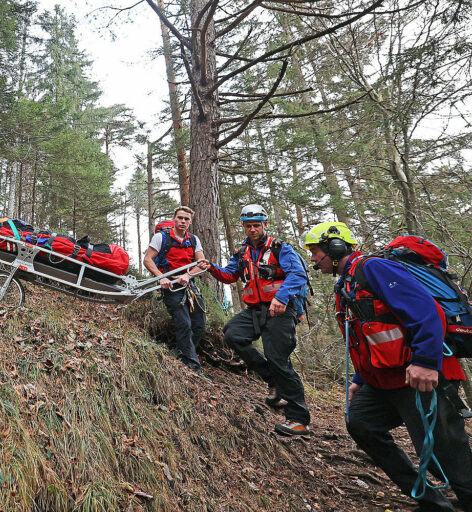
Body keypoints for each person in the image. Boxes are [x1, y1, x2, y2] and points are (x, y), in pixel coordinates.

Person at [305, 221, 472, 512]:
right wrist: (359, 377)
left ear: (335, 247)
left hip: (422, 375)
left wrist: (425, 363)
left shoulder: (374, 269)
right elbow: (365, 335)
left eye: (315, 250)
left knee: (444, 455)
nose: (313, 259)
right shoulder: (346, 283)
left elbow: (426, 313)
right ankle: (432, 502)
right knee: (362, 424)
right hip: (382, 380)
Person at [209, 204, 311, 436]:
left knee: (279, 360)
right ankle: (271, 379)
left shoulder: (280, 248)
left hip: (281, 310)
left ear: (265, 224)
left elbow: (298, 274)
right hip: (255, 309)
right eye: (248, 226)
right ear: (243, 227)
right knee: (233, 334)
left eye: (256, 225)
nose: (252, 229)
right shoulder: (242, 252)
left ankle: (299, 419)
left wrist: (281, 298)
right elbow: (229, 275)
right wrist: (210, 267)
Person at [143, 206, 210, 371]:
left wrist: (188, 276)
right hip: (171, 287)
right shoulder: (161, 237)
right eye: (180, 218)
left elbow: (201, 264)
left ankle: (181, 353)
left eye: (186, 219)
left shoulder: (194, 240)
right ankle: (192, 366)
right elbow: (148, 259)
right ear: (174, 219)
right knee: (184, 324)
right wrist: (161, 277)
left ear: (190, 222)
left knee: (199, 325)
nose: (183, 221)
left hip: (189, 286)